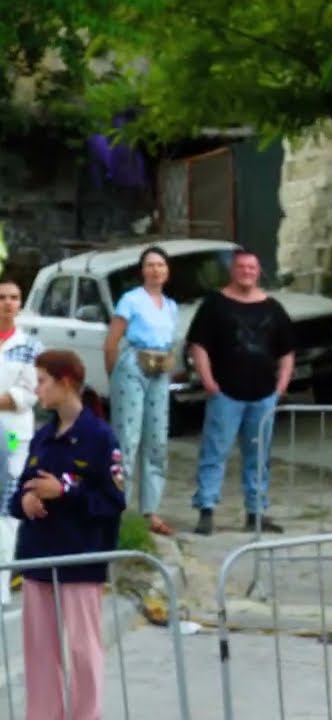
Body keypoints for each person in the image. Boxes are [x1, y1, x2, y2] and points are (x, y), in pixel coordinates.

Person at [9, 350, 125, 720]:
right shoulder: (42, 437)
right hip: (39, 557)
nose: (37, 389)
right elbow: (17, 494)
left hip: (79, 558)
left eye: (43, 381)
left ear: (66, 383)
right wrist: (26, 500)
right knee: (40, 653)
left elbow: (113, 500)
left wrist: (65, 492)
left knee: (82, 650)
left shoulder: (99, 436)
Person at [188, 249, 295, 535]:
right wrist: (208, 381)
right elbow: (198, 345)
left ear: (258, 272)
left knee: (258, 456)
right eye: (242, 267)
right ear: (233, 271)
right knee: (214, 452)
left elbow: (287, 351)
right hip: (225, 393)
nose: (247, 271)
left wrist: (281, 386)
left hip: (263, 394)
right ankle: (206, 509)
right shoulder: (214, 304)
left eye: (252, 267)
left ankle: (256, 512)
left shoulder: (273, 308)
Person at [104, 246, 179, 536]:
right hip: (134, 365)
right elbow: (112, 342)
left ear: (167, 271)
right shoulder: (131, 300)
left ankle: (150, 510)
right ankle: (118, 507)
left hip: (160, 368)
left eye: (160, 265)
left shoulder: (170, 306)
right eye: (150, 265)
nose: (156, 270)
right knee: (127, 439)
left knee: (157, 440)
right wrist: (114, 375)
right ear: (142, 270)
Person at [0, 277, 42, 603]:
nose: (8, 303)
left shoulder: (30, 346)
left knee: (7, 502)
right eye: (2, 297)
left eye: (14, 297)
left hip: (13, 434)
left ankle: (2, 584)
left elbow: (30, 393)